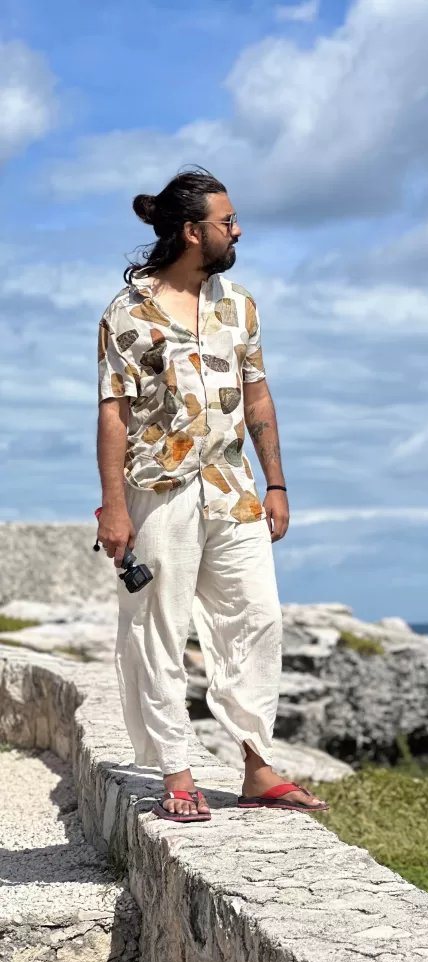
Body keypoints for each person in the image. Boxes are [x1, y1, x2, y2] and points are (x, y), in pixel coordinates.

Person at [95, 168, 328, 820]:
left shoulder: (240, 306)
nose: (238, 229)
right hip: (157, 492)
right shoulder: (128, 315)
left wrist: (275, 481)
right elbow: (113, 413)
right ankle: (177, 774)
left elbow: (258, 394)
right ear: (194, 232)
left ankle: (257, 767)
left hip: (233, 489)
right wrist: (114, 507)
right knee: (156, 632)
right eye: (227, 221)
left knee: (258, 618)